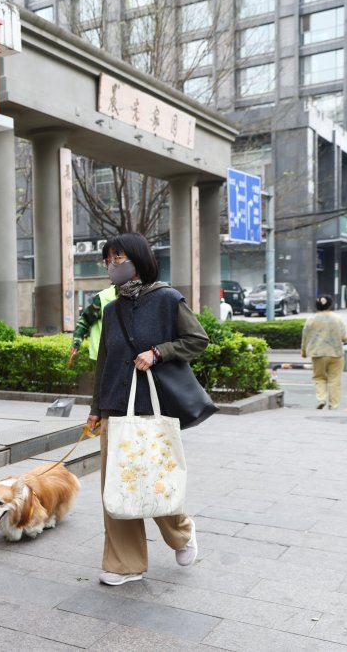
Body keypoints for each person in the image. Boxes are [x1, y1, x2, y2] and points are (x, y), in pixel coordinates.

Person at [83, 232, 208, 587]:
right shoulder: (111, 310)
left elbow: (196, 340)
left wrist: (158, 353)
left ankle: (182, 532)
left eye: (117, 258)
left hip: (150, 410)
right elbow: (104, 363)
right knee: (118, 489)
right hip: (115, 410)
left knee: (154, 482)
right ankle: (125, 564)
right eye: (108, 260)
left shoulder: (167, 299)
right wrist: (96, 408)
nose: (112, 266)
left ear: (138, 260)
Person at [69, 243, 117, 369]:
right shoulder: (102, 298)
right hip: (103, 358)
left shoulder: (143, 296)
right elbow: (84, 321)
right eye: (109, 262)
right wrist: (76, 343)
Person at [302, 295, 347, 409]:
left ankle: (321, 399)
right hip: (336, 353)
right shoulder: (337, 318)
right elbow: (345, 337)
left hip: (317, 354)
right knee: (335, 380)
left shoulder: (311, 319)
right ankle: (333, 405)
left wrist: (304, 351)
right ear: (330, 304)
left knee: (319, 377)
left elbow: (305, 337)